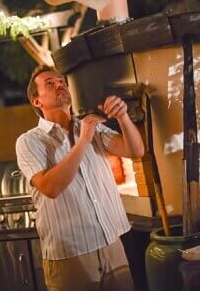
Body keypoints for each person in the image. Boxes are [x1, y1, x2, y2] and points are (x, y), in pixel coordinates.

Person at [16, 65, 145, 291]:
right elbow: (51, 187)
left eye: (61, 81)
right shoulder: (29, 141)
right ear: (37, 101)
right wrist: (83, 140)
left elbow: (135, 150)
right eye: (50, 83)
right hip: (70, 255)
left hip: (111, 243)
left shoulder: (89, 126)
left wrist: (123, 117)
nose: (60, 85)